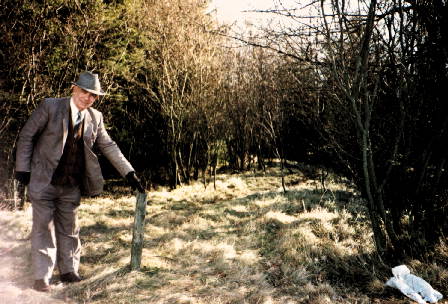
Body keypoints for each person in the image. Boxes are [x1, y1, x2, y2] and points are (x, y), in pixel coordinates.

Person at [14, 71, 144, 292]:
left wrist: (129, 174)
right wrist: (23, 169)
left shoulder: (95, 118)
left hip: (71, 184)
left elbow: (109, 146)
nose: (89, 98)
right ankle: (41, 277)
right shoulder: (50, 106)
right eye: (85, 92)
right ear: (74, 88)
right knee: (43, 228)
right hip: (43, 180)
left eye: (94, 95)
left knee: (70, 229)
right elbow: (27, 136)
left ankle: (69, 271)